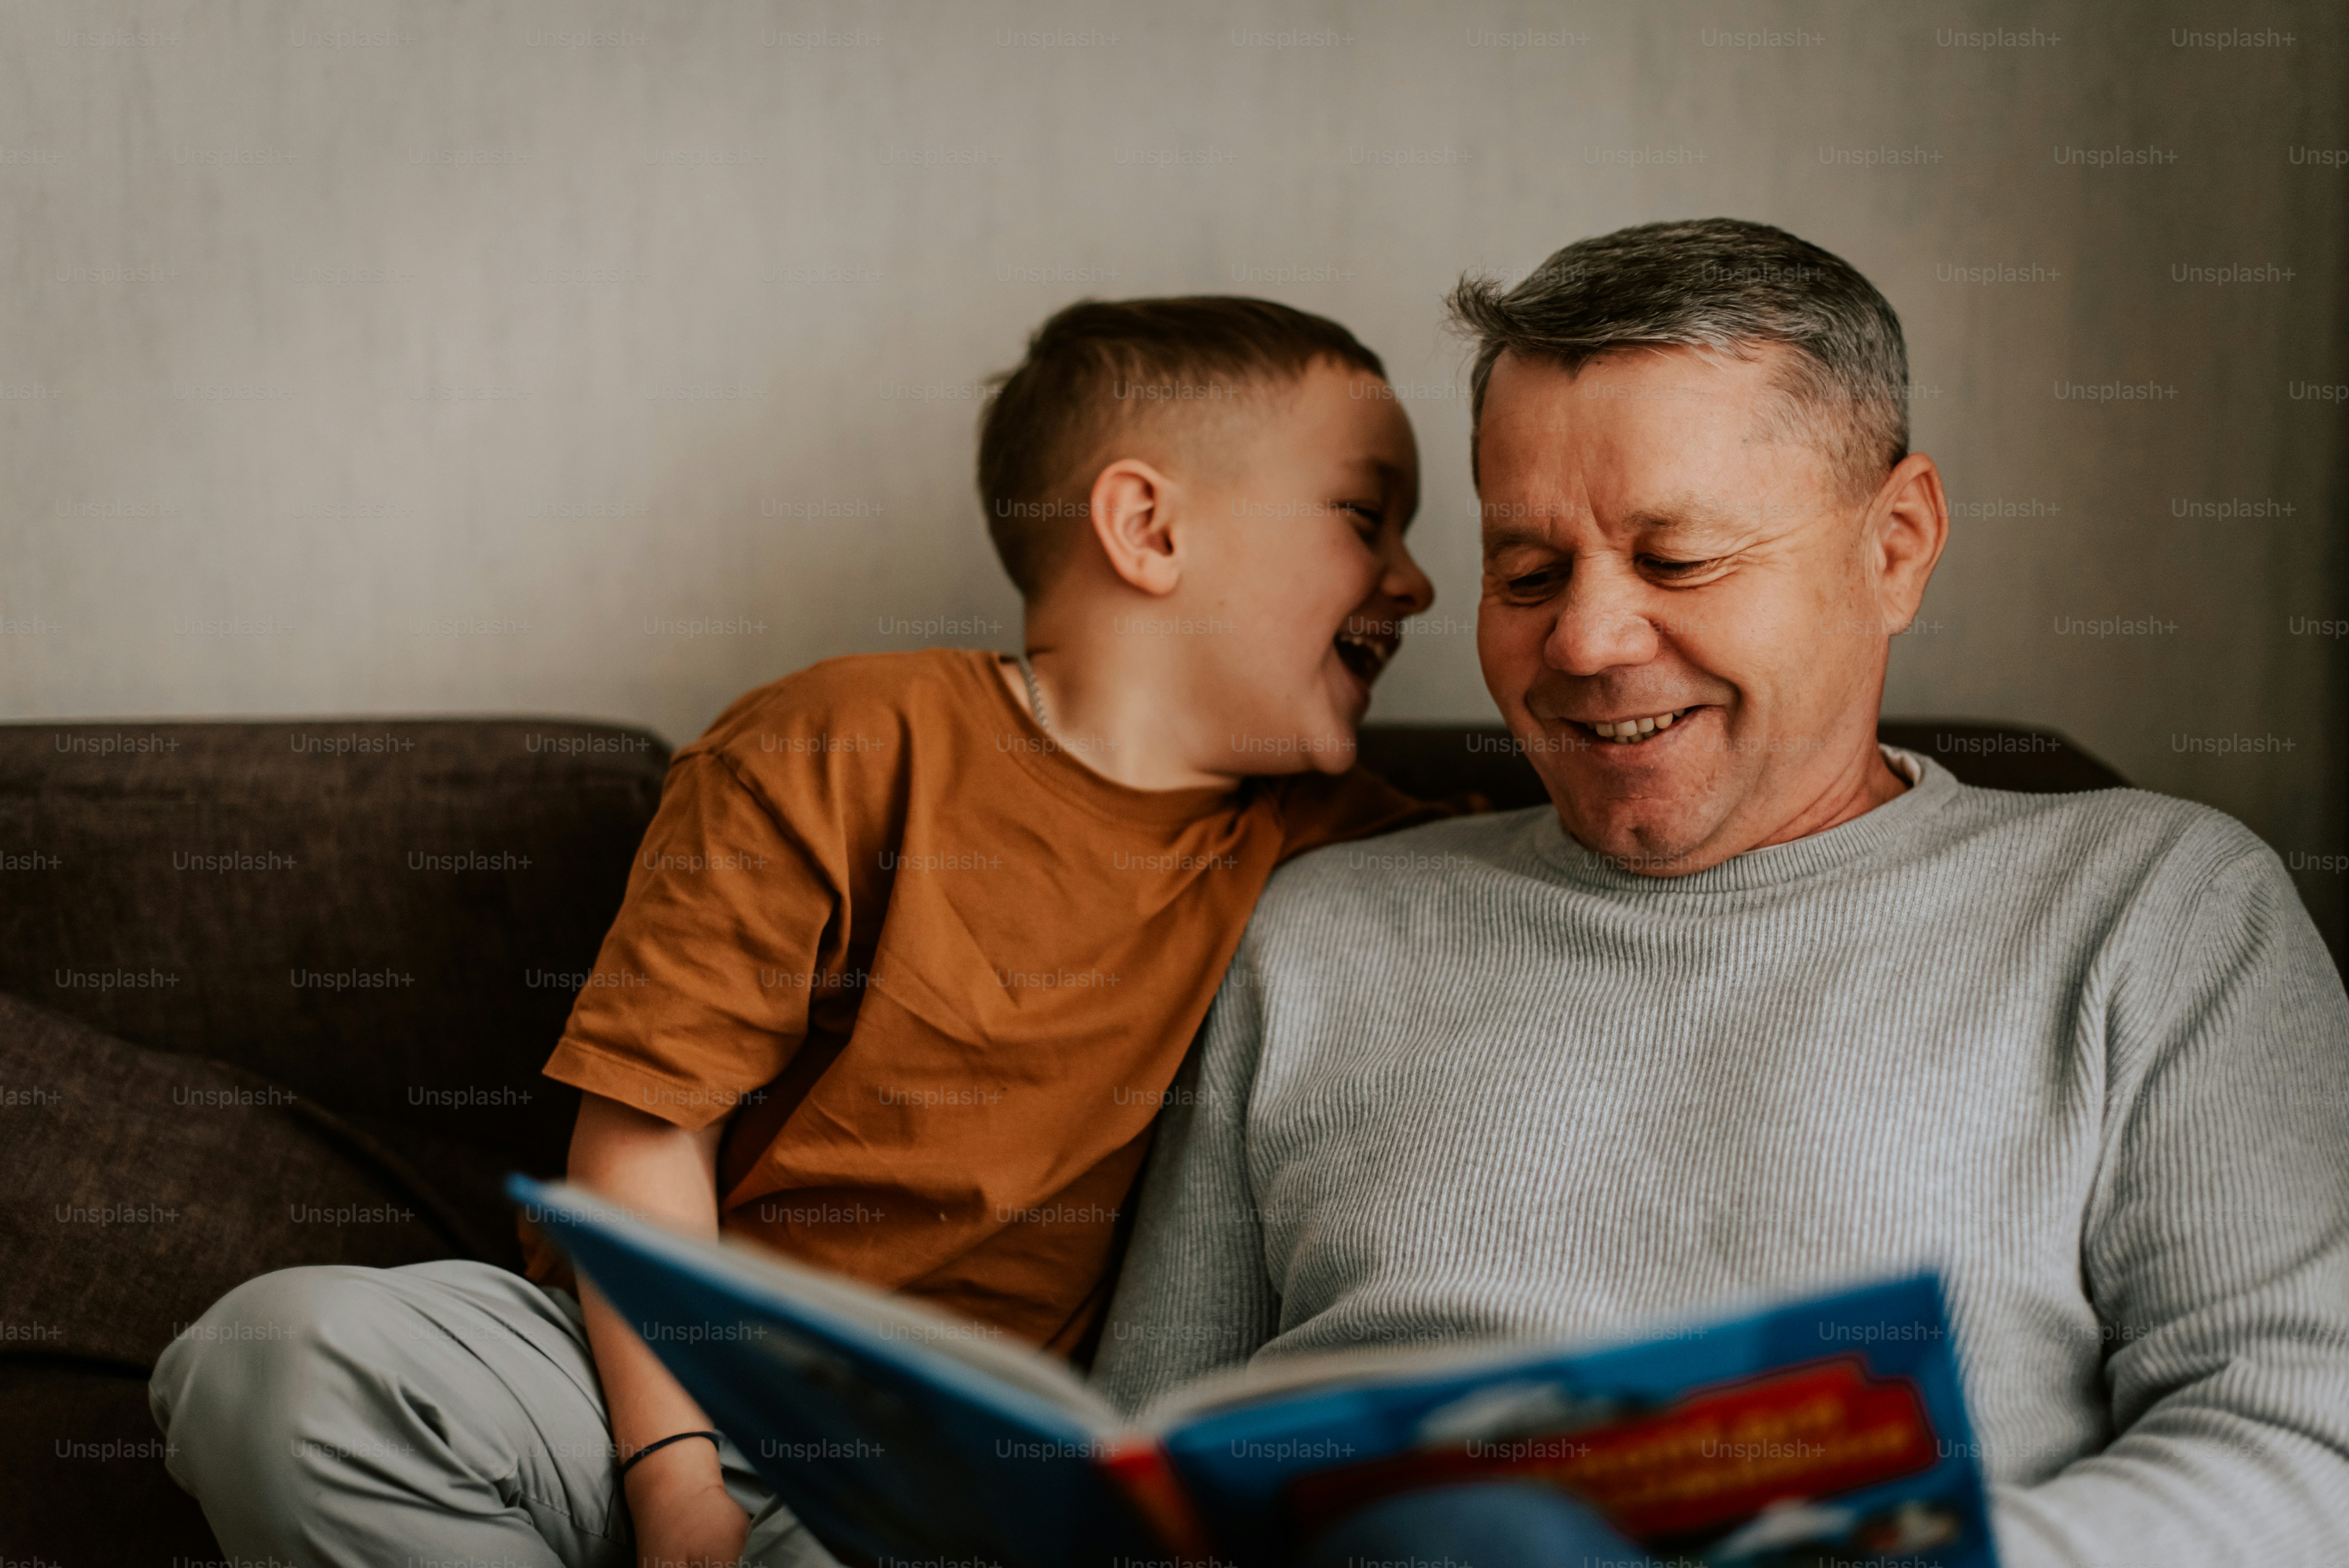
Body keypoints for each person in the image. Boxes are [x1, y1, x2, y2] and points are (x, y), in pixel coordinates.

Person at [1093, 219, 2349, 1568]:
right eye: (1527, 572)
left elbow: (2300, 1446)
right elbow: (1140, 1470)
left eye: (1678, 560)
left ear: (1897, 546)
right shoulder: (1315, 931)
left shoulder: (2155, 911)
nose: (1584, 640)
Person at [152, 295, 1451, 1568]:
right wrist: (674, 1485)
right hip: (637, 1377)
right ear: (1146, 526)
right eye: (1363, 515)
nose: (1418, 580)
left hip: (936, 1481)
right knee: (284, 1359)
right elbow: (647, 1131)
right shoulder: (843, 739)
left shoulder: (1338, 841)